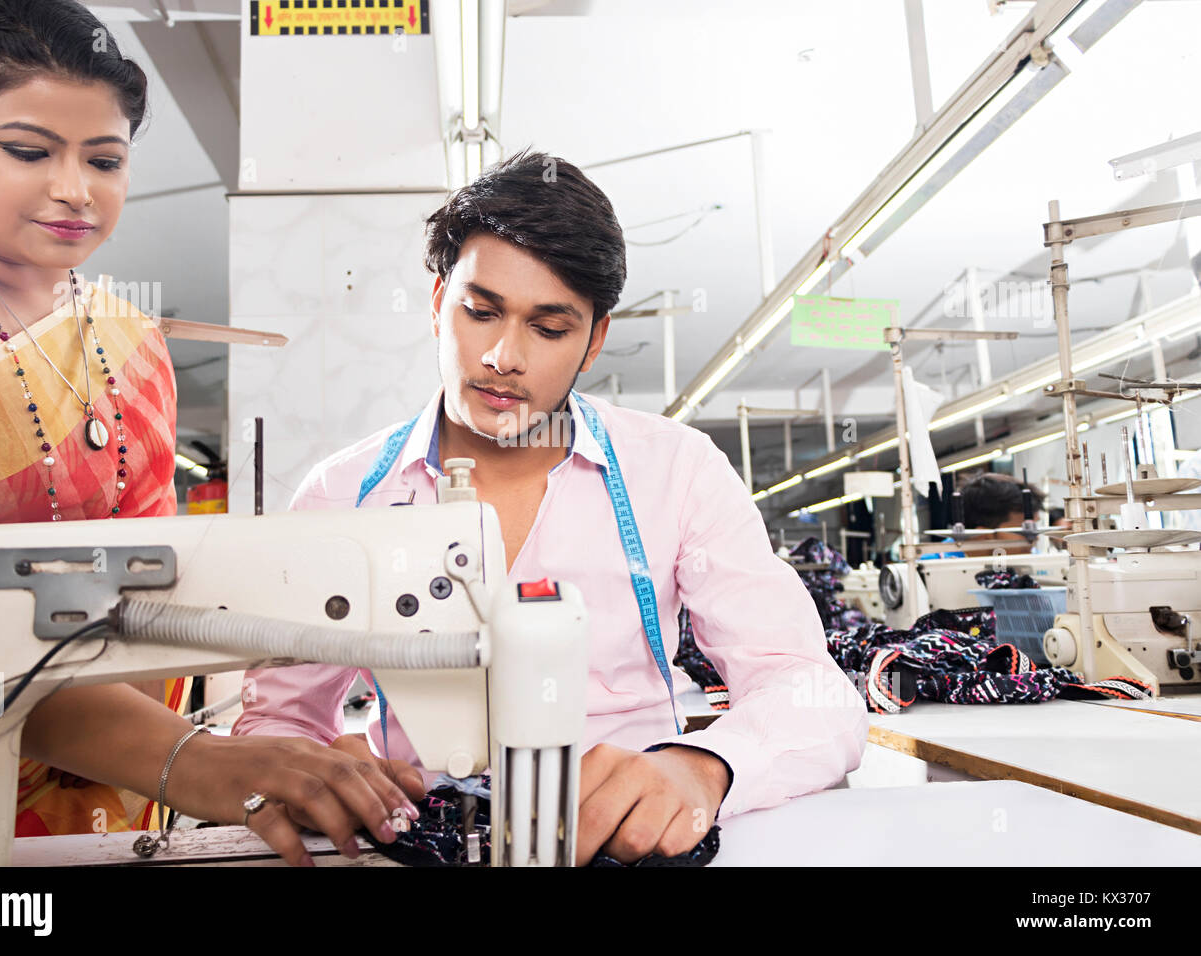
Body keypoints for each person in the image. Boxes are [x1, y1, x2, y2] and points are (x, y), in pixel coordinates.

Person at [235, 149, 869, 865]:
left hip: (630, 843)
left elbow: (811, 692)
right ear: (439, 301)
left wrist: (704, 768)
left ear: (596, 339)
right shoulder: (343, 496)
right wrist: (306, 771)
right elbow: (278, 718)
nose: (505, 356)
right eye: (481, 312)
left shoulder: (677, 472)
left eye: (549, 328)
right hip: (425, 839)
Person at [0, 0, 420, 864]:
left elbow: (152, 588)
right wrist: (201, 764)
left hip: (123, 781)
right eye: (29, 151)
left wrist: (263, 735)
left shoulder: (131, 339)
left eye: (105, 159)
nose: (76, 189)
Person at [958, 472, 1045, 555]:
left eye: (1032, 528)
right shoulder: (946, 564)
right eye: (1023, 530)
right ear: (982, 536)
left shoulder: (1034, 557)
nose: (1036, 538)